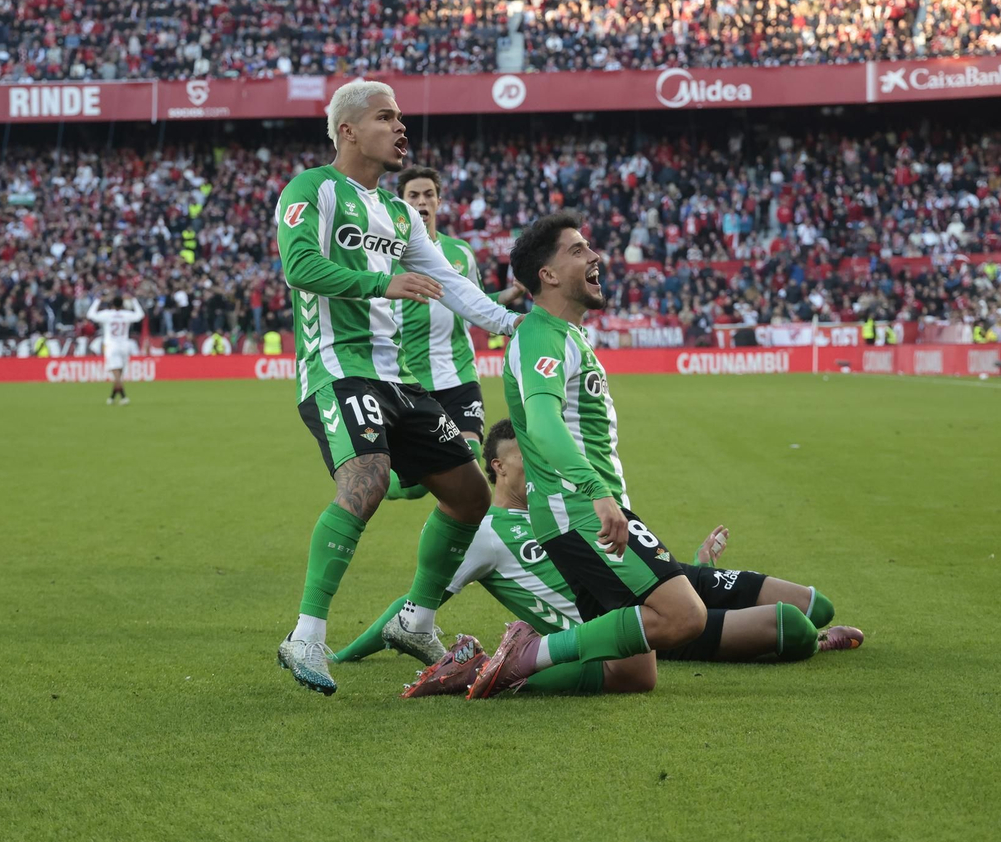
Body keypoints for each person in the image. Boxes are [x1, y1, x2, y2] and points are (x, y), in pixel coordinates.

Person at [274, 80, 522, 695]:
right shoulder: (312, 189)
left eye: (401, 116)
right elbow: (298, 266)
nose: (401, 127)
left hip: (399, 377)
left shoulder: (400, 213)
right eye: (387, 117)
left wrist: (513, 324)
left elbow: (451, 284)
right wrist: (382, 284)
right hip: (337, 364)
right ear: (348, 130)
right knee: (368, 480)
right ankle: (305, 634)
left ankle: (417, 619)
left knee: (468, 494)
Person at [334, 420, 864, 697]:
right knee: (793, 626)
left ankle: (806, 628)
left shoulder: (556, 503)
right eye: (524, 458)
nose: (537, 466)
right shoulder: (483, 532)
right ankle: (495, 671)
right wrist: (344, 655)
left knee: (816, 602)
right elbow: (413, 603)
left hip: (666, 579)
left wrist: (687, 563)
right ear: (496, 466)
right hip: (634, 620)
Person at [466, 211, 708, 699]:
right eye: (577, 250)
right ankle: (528, 652)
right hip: (576, 510)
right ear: (548, 275)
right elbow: (544, 423)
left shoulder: (567, 334)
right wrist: (596, 491)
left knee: (633, 674)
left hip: (581, 509)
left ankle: (475, 674)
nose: (595, 255)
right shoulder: (540, 334)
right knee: (686, 616)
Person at [384, 166, 525, 502]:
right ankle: (377, 481)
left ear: (439, 200)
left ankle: (465, 545)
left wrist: (505, 297)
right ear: (400, 203)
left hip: (459, 377)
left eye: (428, 194)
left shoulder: (460, 252)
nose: (421, 201)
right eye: (413, 195)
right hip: (410, 382)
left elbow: (472, 302)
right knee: (418, 485)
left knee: (466, 466)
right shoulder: (386, 256)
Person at [87, 293, 145, 405]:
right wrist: (134, 300)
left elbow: (90, 315)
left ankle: (124, 397)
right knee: (119, 375)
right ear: (122, 305)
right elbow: (140, 315)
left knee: (116, 376)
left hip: (111, 346)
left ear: (112, 305)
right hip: (124, 346)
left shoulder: (107, 314)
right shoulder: (126, 314)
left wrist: (98, 301)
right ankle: (112, 398)